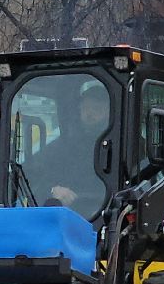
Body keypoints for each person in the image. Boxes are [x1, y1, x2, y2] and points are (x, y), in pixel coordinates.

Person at [29, 79, 112, 216]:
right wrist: (53, 190)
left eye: (96, 109)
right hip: (68, 215)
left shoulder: (125, 147)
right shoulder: (65, 146)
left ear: (109, 111)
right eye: (86, 108)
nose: (89, 114)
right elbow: (38, 177)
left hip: (108, 217)